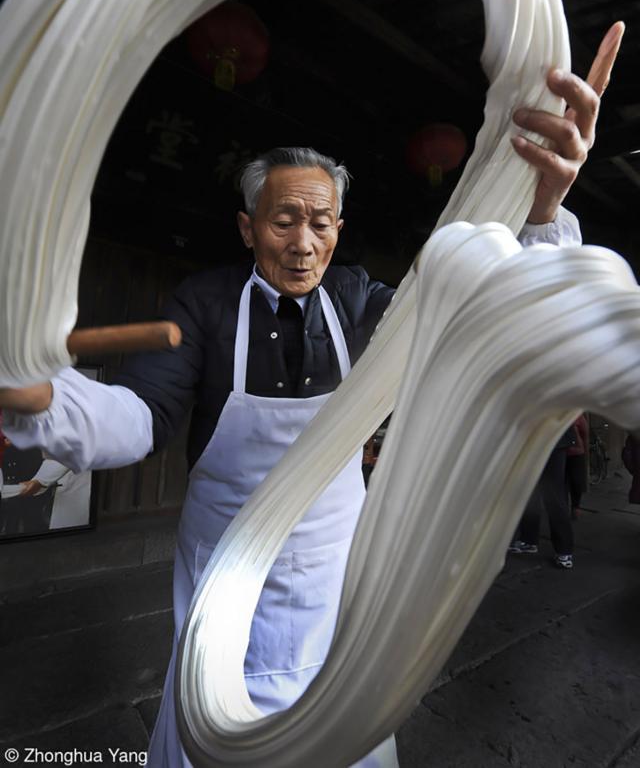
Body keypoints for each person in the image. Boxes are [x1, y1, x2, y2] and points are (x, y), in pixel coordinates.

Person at [0, 62, 605, 767]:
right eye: (283, 220)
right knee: (211, 717)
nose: (304, 242)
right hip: (225, 560)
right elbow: (140, 416)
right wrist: (47, 401)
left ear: (339, 230)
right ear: (248, 227)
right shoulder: (206, 303)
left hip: (331, 562)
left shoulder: (358, 301)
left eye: (321, 222)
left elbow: (473, 321)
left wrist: (539, 212)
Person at [508, 424, 577, 569]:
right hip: (551, 437)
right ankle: (531, 540)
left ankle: (561, 549)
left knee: (550, 494)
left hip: (544, 437)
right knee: (533, 491)